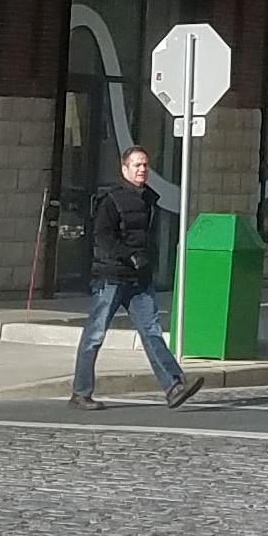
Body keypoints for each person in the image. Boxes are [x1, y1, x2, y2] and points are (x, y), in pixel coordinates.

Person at [70, 145, 204, 410]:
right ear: (124, 169)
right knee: (95, 335)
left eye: (145, 165)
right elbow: (103, 237)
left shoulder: (149, 199)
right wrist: (130, 256)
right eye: (137, 165)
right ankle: (80, 392)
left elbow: (147, 238)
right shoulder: (111, 200)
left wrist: (147, 261)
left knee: (152, 332)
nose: (142, 169)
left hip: (139, 280)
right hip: (110, 277)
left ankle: (174, 386)